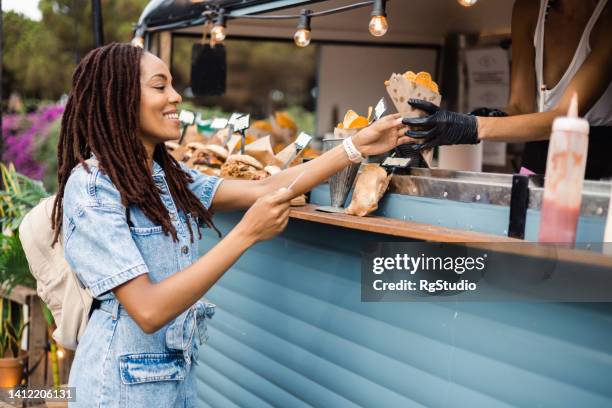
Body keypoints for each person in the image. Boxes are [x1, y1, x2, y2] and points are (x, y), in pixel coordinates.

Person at [51, 42, 409, 407]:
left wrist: (356, 147)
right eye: (159, 86)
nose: (175, 96)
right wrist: (246, 234)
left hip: (172, 380)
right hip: (117, 388)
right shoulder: (93, 186)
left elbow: (267, 187)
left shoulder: (164, 177)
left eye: (173, 85)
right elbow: (147, 309)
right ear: (118, 97)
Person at [402, 0, 612, 179]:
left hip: (592, 163)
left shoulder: (606, 15)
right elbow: (521, 106)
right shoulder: (529, 8)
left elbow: (565, 117)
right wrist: (486, 116)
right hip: (536, 160)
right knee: (524, 225)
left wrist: (469, 127)